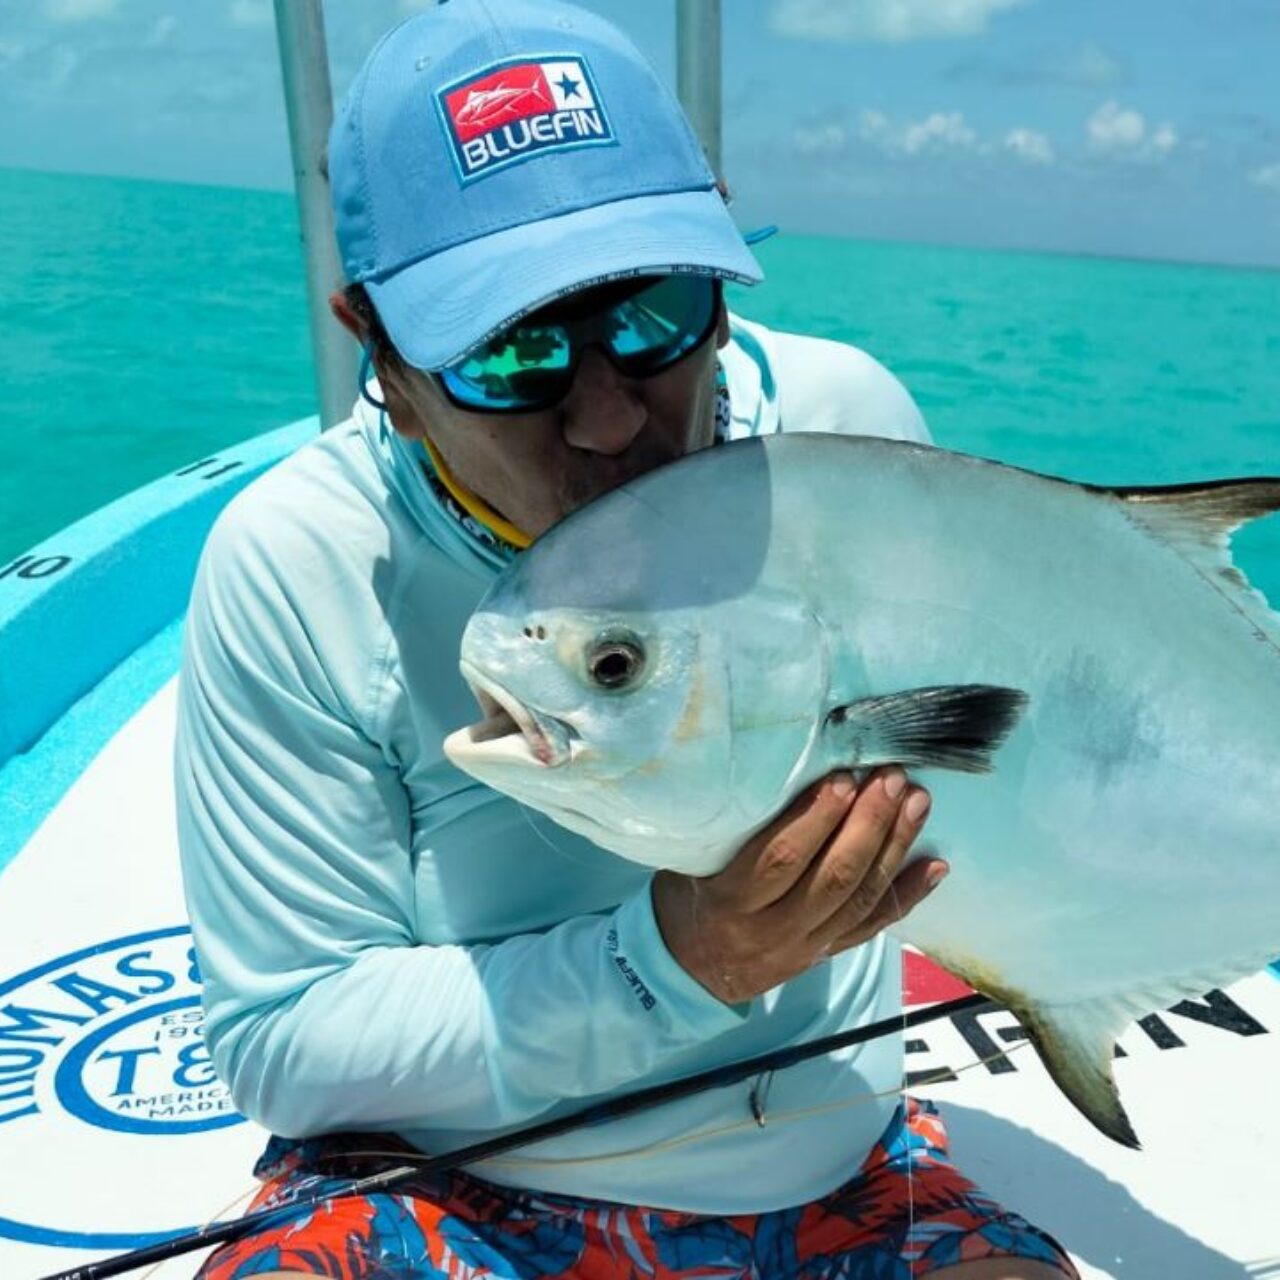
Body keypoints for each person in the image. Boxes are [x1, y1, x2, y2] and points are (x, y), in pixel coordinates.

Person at [175, 2, 1078, 1277]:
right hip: (451, 1177)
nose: (608, 420)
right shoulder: (304, 562)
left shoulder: (838, 434)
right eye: (513, 350)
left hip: (839, 1153)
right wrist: (677, 958)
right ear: (373, 338)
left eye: (655, 315)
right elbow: (284, 1032)